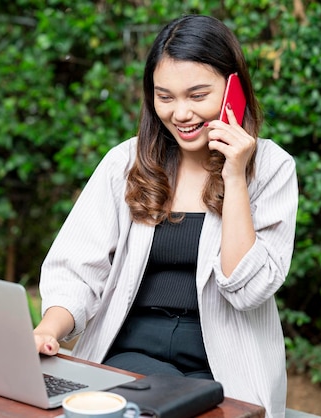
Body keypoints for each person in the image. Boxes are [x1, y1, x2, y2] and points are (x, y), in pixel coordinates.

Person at [33, 14, 298, 418]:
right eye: (165, 96)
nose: (180, 113)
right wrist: (49, 330)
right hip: (129, 357)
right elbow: (77, 269)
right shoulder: (125, 162)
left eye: (197, 95)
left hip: (220, 369)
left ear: (234, 91)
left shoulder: (272, 168)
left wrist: (235, 177)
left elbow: (248, 291)